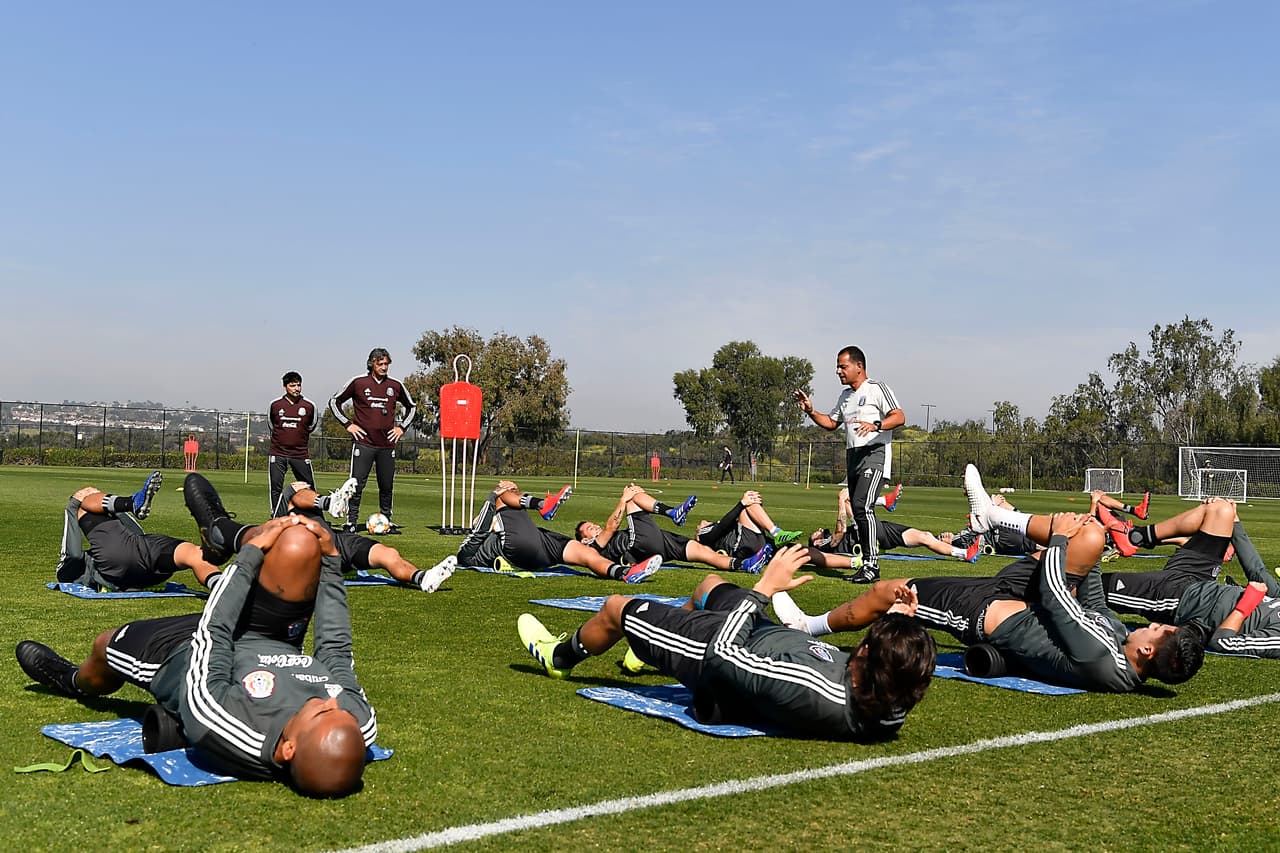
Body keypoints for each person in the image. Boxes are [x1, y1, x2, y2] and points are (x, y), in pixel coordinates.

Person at [17, 503, 378, 797]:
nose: (331, 702)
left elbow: (214, 632)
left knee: (105, 646)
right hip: (275, 635)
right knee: (298, 540)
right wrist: (331, 561)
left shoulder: (228, 723)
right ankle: (220, 527)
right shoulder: (355, 722)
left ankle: (73, 680)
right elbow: (335, 648)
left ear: (287, 750)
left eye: (320, 713)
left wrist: (249, 556)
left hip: (185, 649)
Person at [779, 464, 1203, 692]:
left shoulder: (1101, 657)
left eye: (1159, 629)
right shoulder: (1115, 638)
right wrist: (1093, 536)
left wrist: (1057, 539)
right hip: (1021, 596)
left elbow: (1058, 597)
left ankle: (808, 626)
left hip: (980, 613)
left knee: (890, 592)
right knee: (1090, 535)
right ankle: (995, 516)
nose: (1152, 623)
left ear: (1148, 650)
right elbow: (1088, 602)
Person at [516, 545, 937, 740]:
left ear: (865, 656)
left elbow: (724, 656)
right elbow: (895, 660)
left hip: (715, 650)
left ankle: (561, 655)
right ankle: (653, 647)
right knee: (709, 584)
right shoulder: (889, 697)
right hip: (761, 632)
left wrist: (764, 589)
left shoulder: (813, 690)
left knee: (615, 607)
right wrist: (903, 621)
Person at [1100, 503, 1280, 658]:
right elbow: (1257, 570)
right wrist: (1236, 522)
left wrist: (1245, 606)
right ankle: (1136, 536)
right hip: (1202, 576)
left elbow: (1224, 642)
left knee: (1090, 586)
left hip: (1180, 598)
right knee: (1221, 510)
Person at [794, 345, 904, 584]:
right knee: (858, 507)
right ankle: (866, 563)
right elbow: (831, 423)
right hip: (852, 457)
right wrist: (811, 411)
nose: (838, 371)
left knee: (862, 506)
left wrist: (876, 425)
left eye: (843, 366)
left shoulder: (876, 389)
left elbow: (899, 416)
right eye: (837, 366)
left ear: (859, 367)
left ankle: (871, 565)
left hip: (874, 454)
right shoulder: (845, 396)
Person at [457, 481, 662, 582]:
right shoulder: (467, 553)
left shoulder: (499, 532)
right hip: (518, 549)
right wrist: (494, 496)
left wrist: (513, 491)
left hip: (542, 542)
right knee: (501, 496)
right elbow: (478, 531)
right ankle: (542, 505)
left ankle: (626, 573)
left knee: (588, 555)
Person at [55, 472, 222, 590]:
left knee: (84, 499)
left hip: (119, 562)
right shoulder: (86, 562)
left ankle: (130, 503)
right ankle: (222, 588)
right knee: (195, 555)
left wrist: (72, 506)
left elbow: (73, 556)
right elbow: (135, 534)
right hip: (149, 565)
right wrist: (74, 504)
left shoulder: (71, 571)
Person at [573, 484, 772, 574]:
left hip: (659, 543)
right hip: (639, 546)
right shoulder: (593, 548)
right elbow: (612, 525)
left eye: (593, 524)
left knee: (704, 552)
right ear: (584, 540)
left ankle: (743, 565)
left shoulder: (604, 539)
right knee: (633, 497)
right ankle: (672, 513)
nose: (595, 526)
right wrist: (623, 499)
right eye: (590, 528)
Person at [328, 348, 418, 534]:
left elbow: (412, 407)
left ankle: (386, 520)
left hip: (386, 445)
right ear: (371, 364)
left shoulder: (396, 385)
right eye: (380, 364)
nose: (384, 367)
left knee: (386, 485)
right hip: (364, 443)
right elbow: (334, 402)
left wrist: (401, 428)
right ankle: (351, 522)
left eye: (386, 364)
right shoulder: (358, 383)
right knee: (356, 484)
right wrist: (348, 424)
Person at [693, 490, 803, 561]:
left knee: (799, 551)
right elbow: (722, 525)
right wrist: (742, 503)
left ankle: (820, 556)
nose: (700, 522)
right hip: (743, 545)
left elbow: (728, 523)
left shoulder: (719, 531)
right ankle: (777, 532)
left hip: (757, 542)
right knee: (746, 507)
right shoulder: (704, 535)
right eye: (698, 527)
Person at [268, 371, 320, 517]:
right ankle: (276, 515)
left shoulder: (309, 406)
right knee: (276, 486)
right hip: (278, 452)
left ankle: (314, 516)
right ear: (285, 387)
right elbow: (272, 425)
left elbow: (311, 426)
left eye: (298, 385)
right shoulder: (275, 405)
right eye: (292, 385)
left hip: (300, 453)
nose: (296, 388)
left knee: (308, 486)